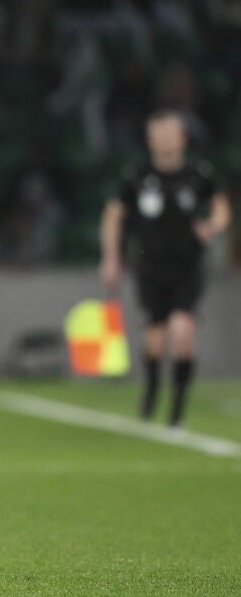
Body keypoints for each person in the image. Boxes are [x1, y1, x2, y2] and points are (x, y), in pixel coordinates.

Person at [99, 109, 231, 427]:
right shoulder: (137, 176)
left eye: (171, 134)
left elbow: (221, 206)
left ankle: (177, 411)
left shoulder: (198, 174)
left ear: (182, 138)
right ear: (150, 140)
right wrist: (111, 257)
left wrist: (212, 225)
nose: (165, 141)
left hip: (186, 267)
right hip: (150, 268)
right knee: (155, 343)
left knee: (183, 335)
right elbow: (113, 215)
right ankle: (153, 389)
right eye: (158, 135)